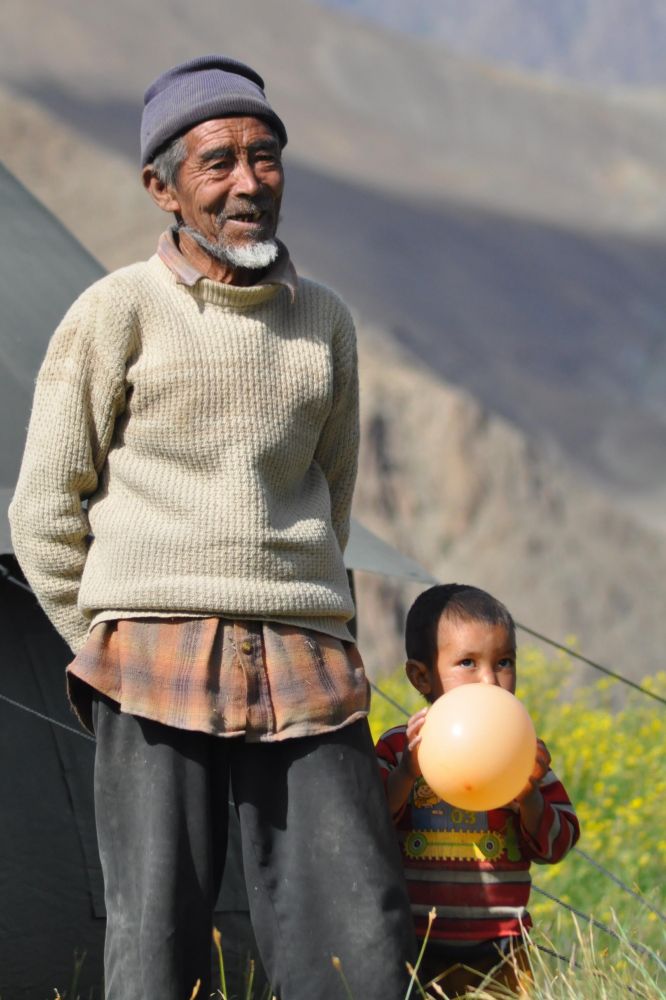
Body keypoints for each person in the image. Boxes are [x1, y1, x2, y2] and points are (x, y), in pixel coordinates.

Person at [9, 55, 415, 1000]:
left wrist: (297, 598)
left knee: (355, 929)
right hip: (149, 653)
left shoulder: (325, 323)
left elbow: (333, 492)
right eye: (218, 162)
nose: (247, 183)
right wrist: (108, 638)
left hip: (305, 654)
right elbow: (41, 509)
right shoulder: (116, 313)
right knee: (154, 941)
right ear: (162, 187)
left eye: (265, 158)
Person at [376, 583, 579, 997]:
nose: (490, 679)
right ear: (421, 675)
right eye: (467, 663)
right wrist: (406, 775)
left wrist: (530, 797)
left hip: (502, 948)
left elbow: (557, 845)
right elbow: (369, 827)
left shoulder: (521, 751)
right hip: (415, 943)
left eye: (504, 662)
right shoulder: (398, 748)